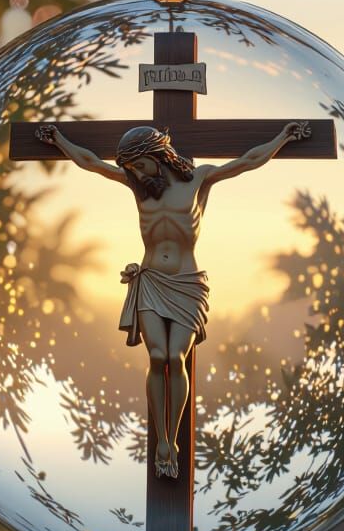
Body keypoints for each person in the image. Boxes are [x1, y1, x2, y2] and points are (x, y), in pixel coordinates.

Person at [35, 120, 311, 479]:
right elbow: (91, 163)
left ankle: (174, 437)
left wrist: (283, 138)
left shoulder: (199, 179)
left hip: (187, 284)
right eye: (131, 168)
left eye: (139, 164)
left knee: (175, 356)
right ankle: (162, 442)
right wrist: (58, 140)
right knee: (157, 356)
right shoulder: (136, 186)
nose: (135, 173)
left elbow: (248, 160)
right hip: (151, 281)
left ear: (158, 156)